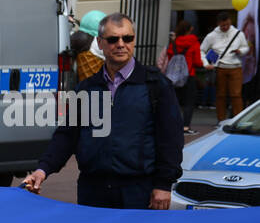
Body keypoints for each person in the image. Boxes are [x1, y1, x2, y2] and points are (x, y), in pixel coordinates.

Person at [23, 13, 181, 209]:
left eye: (128, 38)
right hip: (93, 191)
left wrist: (163, 185)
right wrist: (42, 170)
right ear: (100, 42)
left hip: (139, 192)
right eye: (113, 39)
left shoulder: (156, 85)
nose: (121, 44)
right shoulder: (86, 88)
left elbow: (171, 140)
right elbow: (67, 135)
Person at [200, 11, 250, 121]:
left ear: (230, 21)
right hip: (220, 67)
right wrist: (206, 64)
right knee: (220, 95)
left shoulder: (238, 33)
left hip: (236, 67)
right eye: (223, 25)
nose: (225, 27)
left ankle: (238, 121)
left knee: (236, 95)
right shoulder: (212, 36)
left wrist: (240, 51)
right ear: (218, 23)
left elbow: (246, 47)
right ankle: (221, 120)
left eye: (227, 24)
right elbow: (202, 50)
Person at [159, 20, 203, 134]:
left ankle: (173, 125)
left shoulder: (173, 43)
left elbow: (168, 57)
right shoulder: (194, 43)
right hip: (189, 76)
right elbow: (198, 62)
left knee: (174, 102)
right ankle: (185, 127)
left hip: (173, 77)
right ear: (191, 29)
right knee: (189, 103)